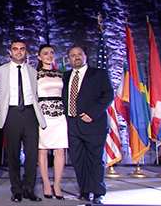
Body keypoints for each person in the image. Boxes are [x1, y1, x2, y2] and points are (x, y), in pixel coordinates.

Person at [0, 39, 46, 202]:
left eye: (22, 49)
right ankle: (16, 189)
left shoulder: (32, 71)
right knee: (13, 154)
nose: (19, 52)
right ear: (10, 52)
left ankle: (29, 188)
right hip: (12, 114)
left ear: (26, 52)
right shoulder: (0, 71)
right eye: (15, 49)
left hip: (30, 114)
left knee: (31, 154)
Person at [62, 46, 113, 205]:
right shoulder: (65, 76)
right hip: (72, 124)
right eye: (72, 55)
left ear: (85, 56)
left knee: (95, 159)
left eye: (79, 54)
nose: (76, 57)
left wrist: (92, 113)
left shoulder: (99, 74)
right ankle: (84, 190)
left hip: (93, 123)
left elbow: (108, 95)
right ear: (68, 59)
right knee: (78, 159)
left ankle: (98, 192)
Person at [36, 44, 68, 200]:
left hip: (59, 114)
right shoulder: (35, 74)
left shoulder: (60, 74)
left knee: (60, 150)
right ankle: (46, 184)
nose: (49, 56)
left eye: (51, 53)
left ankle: (57, 184)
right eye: (45, 53)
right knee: (42, 150)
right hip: (43, 114)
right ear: (39, 56)